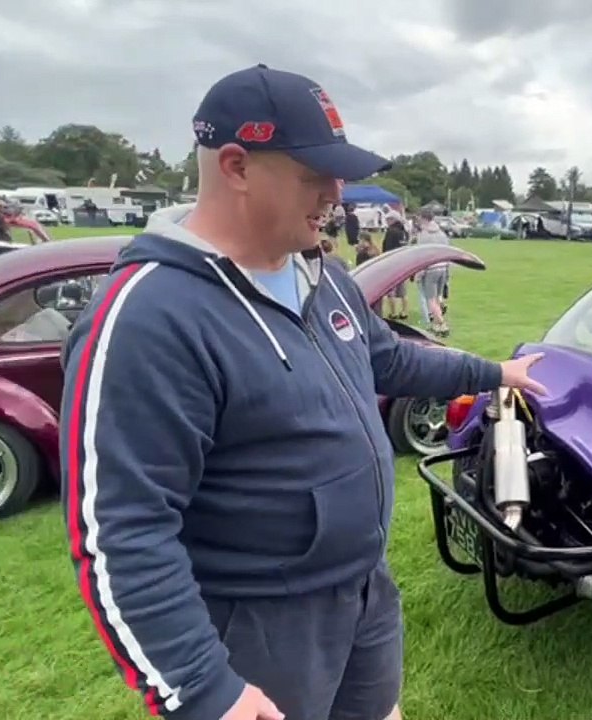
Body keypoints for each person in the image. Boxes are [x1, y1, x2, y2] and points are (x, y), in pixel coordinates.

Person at [58, 63, 548, 720]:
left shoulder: (321, 275)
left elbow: (388, 360)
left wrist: (494, 374)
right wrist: (204, 688)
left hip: (362, 593)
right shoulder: (150, 317)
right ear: (236, 166)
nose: (336, 195)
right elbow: (122, 531)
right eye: (315, 174)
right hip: (258, 628)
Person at [411, 208, 451, 336]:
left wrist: (419, 273)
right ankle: (436, 324)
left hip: (430, 269)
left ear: (423, 218)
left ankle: (442, 324)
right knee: (438, 297)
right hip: (443, 267)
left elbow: (421, 255)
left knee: (430, 299)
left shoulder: (423, 235)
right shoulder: (442, 234)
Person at [381, 213, 409, 319]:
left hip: (392, 263)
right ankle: (404, 312)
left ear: (393, 220)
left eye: (388, 219)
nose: (387, 222)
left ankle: (393, 313)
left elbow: (387, 248)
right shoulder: (404, 232)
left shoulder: (391, 232)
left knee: (390, 290)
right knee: (402, 291)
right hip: (403, 263)